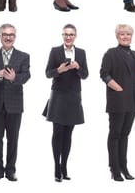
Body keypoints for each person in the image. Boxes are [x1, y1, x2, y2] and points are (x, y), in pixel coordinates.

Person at [100, 24, 135, 181]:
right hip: (117, 100)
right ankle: (114, 169)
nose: (125, 37)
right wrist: (116, 87)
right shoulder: (111, 53)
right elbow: (104, 74)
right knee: (115, 134)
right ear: (117, 36)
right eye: (122, 34)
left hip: (133, 101)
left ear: (132, 36)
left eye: (128, 34)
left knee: (125, 135)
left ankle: (124, 167)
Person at [0, 23, 31, 181]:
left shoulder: (23, 56)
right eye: (5, 34)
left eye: (11, 34)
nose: (8, 37)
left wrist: (14, 78)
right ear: (0, 37)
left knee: (13, 139)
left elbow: (26, 76)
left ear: (15, 37)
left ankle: (10, 171)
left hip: (15, 105)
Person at [42, 24, 88, 182]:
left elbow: (86, 75)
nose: (68, 37)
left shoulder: (81, 53)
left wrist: (78, 67)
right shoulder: (55, 51)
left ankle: (64, 166)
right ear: (62, 36)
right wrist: (59, 70)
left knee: (68, 133)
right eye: (65, 34)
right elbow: (48, 73)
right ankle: (56, 167)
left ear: (75, 36)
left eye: (71, 35)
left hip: (74, 96)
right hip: (58, 96)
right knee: (57, 133)